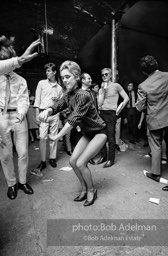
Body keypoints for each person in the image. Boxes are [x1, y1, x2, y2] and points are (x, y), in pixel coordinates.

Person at [39, 60, 107, 206]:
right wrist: (48, 111)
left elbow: (73, 119)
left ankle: (91, 190)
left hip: (100, 132)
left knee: (81, 163)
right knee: (72, 162)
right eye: (62, 77)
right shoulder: (69, 94)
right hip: (88, 133)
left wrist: (57, 136)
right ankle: (84, 188)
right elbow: (58, 105)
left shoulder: (83, 95)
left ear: (76, 77)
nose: (64, 80)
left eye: (67, 77)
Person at [0, 35, 37, 200]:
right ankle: (11, 184)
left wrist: (21, 114)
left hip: (18, 116)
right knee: (6, 155)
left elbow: (24, 100)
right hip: (1, 116)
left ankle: (22, 182)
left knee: (22, 152)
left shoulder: (21, 80)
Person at [135, 55, 168, 191]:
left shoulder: (143, 86)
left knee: (155, 146)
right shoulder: (167, 76)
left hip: (155, 120)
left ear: (144, 71)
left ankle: (155, 174)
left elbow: (140, 107)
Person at [31, 63, 63, 175]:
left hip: (55, 114)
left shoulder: (59, 88)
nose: (47, 73)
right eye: (46, 71)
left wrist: (56, 102)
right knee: (42, 137)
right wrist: (36, 115)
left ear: (54, 72)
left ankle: (52, 158)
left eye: (49, 71)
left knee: (53, 137)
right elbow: (37, 100)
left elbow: (61, 103)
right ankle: (43, 161)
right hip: (43, 113)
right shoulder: (41, 83)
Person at [97, 68, 129, 168]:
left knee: (111, 137)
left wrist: (118, 110)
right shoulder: (101, 88)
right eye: (102, 75)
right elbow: (99, 104)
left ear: (110, 75)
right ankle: (103, 156)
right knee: (101, 136)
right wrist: (102, 91)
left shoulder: (116, 86)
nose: (104, 76)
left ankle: (111, 159)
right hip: (102, 112)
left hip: (111, 113)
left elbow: (126, 98)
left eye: (106, 74)